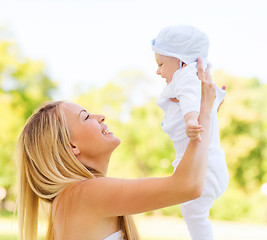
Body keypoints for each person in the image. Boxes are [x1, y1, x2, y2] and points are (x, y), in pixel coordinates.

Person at [16, 59, 216, 240]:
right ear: (71, 146)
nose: (100, 116)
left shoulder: (74, 197)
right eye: (86, 117)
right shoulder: (83, 193)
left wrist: (201, 118)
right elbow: (188, 186)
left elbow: (189, 181)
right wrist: (204, 111)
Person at [152, 25, 229, 240]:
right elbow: (202, 100)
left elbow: (189, 99)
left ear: (182, 61)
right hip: (210, 165)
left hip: (203, 167)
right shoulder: (196, 77)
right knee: (193, 212)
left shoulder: (185, 76)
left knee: (193, 214)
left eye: (160, 64)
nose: (157, 71)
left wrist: (191, 119)